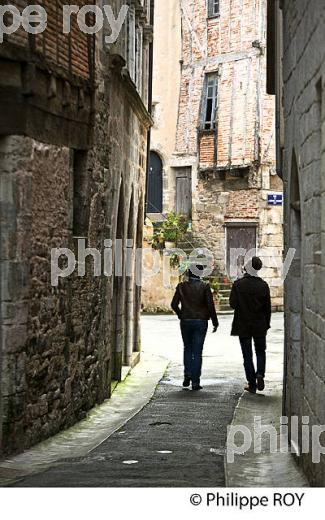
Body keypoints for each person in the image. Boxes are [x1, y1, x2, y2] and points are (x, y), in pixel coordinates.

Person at [171, 265, 219, 391]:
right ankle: (196, 382)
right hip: (201, 322)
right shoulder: (204, 287)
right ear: (200, 273)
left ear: (188, 274)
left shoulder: (181, 286)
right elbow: (210, 305)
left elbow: (174, 304)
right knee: (197, 351)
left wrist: (181, 315)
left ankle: (187, 374)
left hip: (186, 321)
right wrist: (215, 321)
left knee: (187, 348)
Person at [229, 256, 271, 394]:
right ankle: (260, 374)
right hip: (259, 324)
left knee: (247, 355)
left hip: (243, 324)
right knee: (260, 351)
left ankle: (252, 383)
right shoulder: (263, 286)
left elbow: (233, 304)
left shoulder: (238, 284)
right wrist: (267, 324)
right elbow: (267, 308)